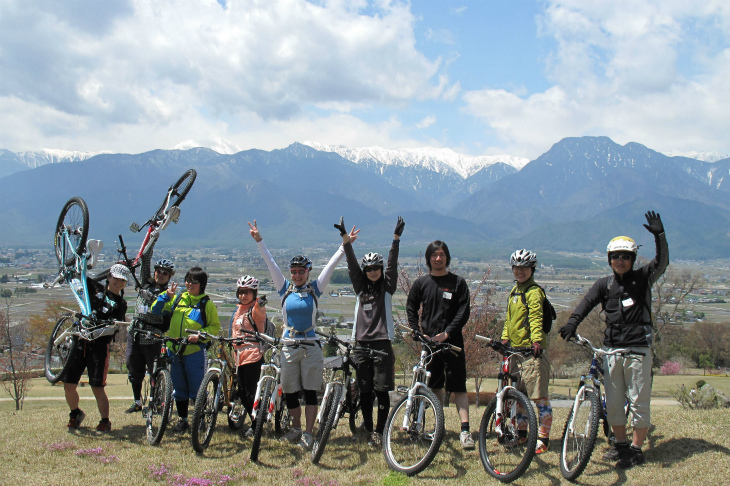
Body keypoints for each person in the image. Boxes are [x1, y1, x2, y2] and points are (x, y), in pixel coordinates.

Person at [559, 211, 668, 469]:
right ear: (609, 260)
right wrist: (572, 323)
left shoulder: (642, 279)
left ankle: (636, 449)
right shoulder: (604, 285)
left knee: (639, 401)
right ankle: (620, 446)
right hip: (611, 351)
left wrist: (659, 236)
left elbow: (662, 262)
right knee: (615, 402)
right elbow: (586, 303)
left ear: (632, 259)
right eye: (616, 256)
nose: (620, 260)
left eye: (626, 256)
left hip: (638, 349)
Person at [248, 219, 351, 449]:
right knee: (291, 391)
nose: (296, 275)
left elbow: (331, 267)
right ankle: (295, 429)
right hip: (289, 345)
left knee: (311, 392)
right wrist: (259, 241)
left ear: (308, 272)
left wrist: (344, 245)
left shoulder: (315, 289)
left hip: (311, 345)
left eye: (301, 271)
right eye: (293, 272)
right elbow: (270, 263)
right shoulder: (284, 289)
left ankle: (308, 432)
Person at [336, 216, 403, 447]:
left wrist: (395, 240)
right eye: (369, 269)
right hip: (361, 344)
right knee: (364, 390)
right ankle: (368, 424)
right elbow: (352, 265)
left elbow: (393, 267)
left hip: (382, 343)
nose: (373, 272)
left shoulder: (387, 288)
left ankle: (380, 431)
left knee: (382, 391)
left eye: (376, 268)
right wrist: (345, 239)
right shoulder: (360, 288)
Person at [405, 240, 474, 450]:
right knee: (434, 387)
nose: (438, 258)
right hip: (429, 344)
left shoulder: (458, 283)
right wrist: (417, 331)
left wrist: (447, 333)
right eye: (434, 255)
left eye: (442, 254)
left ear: (447, 257)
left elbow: (464, 312)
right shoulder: (421, 283)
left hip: (453, 343)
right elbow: (411, 306)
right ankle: (438, 428)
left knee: (458, 387)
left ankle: (465, 431)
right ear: (428, 258)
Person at [151, 266, 221, 433]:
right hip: (174, 350)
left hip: (194, 351)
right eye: (188, 280)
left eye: (194, 281)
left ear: (202, 284)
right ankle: (182, 420)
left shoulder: (207, 304)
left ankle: (201, 419)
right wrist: (165, 296)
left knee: (197, 388)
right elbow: (155, 309)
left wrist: (200, 335)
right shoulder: (178, 299)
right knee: (179, 388)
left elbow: (214, 327)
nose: (190, 284)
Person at [64, 263, 130, 433]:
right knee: (69, 383)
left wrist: (111, 325)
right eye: (116, 278)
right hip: (80, 341)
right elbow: (81, 278)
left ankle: (105, 421)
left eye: (123, 280)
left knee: (97, 386)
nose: (119, 282)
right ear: (109, 277)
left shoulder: (121, 303)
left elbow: (117, 325)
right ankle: (75, 413)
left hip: (100, 346)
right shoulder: (96, 289)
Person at [501, 249, 552, 454]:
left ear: (532, 269)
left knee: (539, 398)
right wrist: (505, 338)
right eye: (516, 267)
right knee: (519, 397)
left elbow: (536, 318)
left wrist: (537, 341)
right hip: (515, 351)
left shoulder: (533, 292)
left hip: (532, 353)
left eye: (524, 268)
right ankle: (522, 435)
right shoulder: (514, 292)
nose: (519, 271)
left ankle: (543, 438)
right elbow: (509, 319)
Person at [124, 233, 175, 413]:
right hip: (135, 331)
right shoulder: (145, 282)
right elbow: (145, 259)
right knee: (132, 366)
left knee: (154, 371)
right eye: (158, 271)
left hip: (153, 337)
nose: (160, 275)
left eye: (164, 273)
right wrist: (153, 238)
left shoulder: (169, 295)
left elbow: (164, 314)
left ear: (169, 276)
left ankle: (154, 402)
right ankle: (137, 401)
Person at [229, 275, 268, 437]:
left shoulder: (254, 309)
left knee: (250, 394)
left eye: (247, 292)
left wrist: (260, 303)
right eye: (240, 292)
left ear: (254, 293)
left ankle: (256, 425)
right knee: (243, 392)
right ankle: (256, 421)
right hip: (239, 357)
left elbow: (260, 311)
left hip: (253, 356)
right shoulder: (239, 309)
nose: (243, 295)